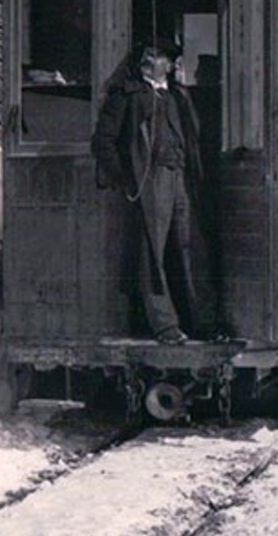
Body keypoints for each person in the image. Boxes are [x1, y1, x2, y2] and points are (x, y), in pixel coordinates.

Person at [92, 39, 217, 343]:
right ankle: (164, 325)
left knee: (192, 247)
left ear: (171, 64)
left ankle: (204, 321)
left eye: (158, 54)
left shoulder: (178, 96)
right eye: (148, 52)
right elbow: (103, 141)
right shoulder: (127, 94)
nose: (150, 57)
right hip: (151, 180)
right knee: (152, 252)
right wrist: (125, 178)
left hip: (181, 178)